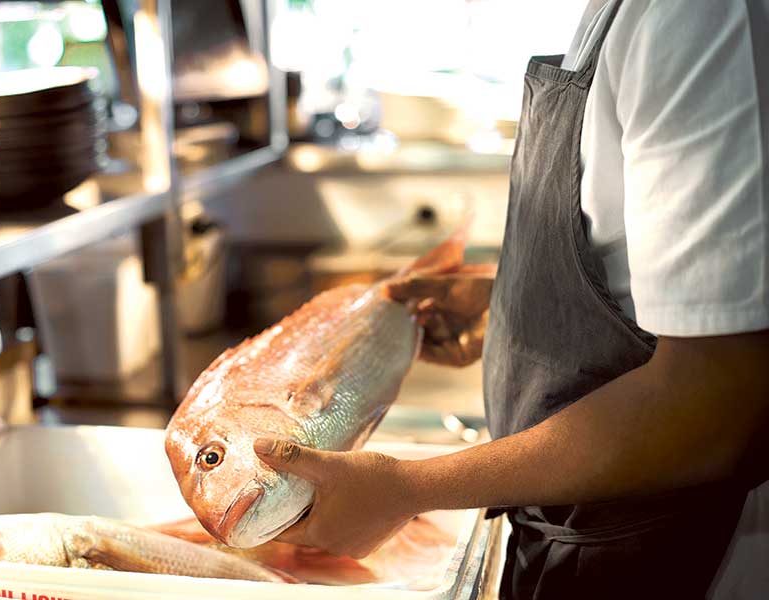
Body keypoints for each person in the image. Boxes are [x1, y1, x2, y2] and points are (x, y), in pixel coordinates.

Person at [253, 1, 769, 597]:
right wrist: (514, 303)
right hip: (576, 532)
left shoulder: (695, 14)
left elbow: (717, 403)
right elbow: (636, 259)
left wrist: (408, 490)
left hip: (676, 553)